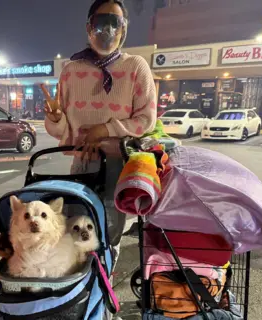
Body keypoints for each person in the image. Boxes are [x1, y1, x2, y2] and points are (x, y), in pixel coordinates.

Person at [41, 0, 157, 267]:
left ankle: (104, 294)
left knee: (110, 232)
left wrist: (104, 129)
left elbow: (146, 119)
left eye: (115, 22)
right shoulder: (71, 71)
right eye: (101, 21)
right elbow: (64, 129)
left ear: (124, 29)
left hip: (119, 164)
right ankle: (84, 290)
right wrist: (56, 119)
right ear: (88, 26)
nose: (108, 29)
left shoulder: (136, 67)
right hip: (82, 164)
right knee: (78, 228)